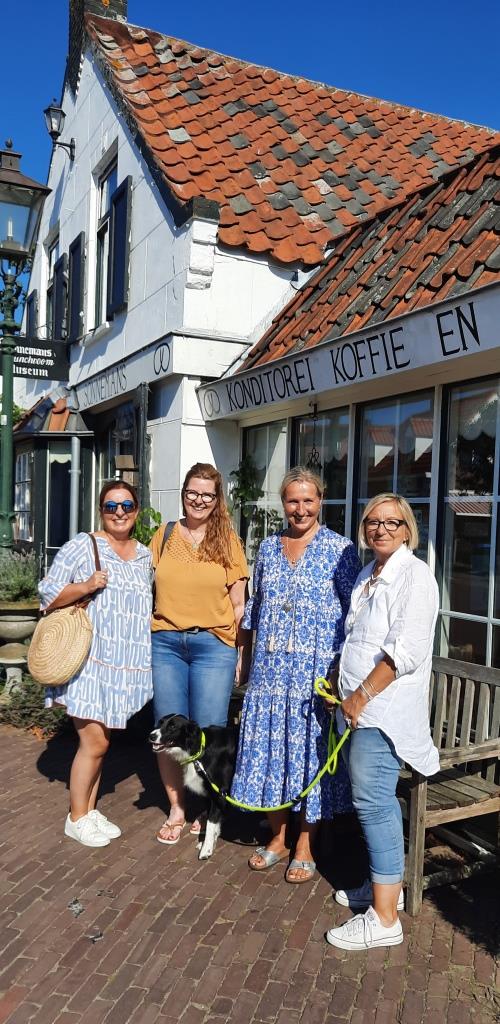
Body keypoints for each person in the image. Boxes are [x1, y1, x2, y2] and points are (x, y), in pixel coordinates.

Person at [231, 467, 361, 883]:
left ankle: (305, 842)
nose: (300, 509)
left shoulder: (340, 550)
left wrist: (341, 674)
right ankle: (278, 837)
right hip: (270, 675)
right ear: (282, 503)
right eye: (292, 500)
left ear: (321, 501)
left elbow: (353, 617)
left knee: (309, 758)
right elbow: (255, 609)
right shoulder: (267, 548)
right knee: (269, 754)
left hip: (314, 675)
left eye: (308, 500)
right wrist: (245, 659)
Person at [325, 493, 439, 951]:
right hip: (356, 708)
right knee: (366, 802)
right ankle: (381, 887)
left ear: (407, 529)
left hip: (383, 713)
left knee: (375, 804)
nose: (382, 529)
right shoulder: (368, 574)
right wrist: (340, 682)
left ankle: (386, 917)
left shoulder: (416, 576)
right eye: (373, 521)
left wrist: (361, 695)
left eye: (392, 522)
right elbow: (357, 636)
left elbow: (404, 652)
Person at [39, 481, 153, 848]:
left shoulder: (145, 555)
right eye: (110, 505)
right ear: (101, 510)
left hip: (124, 666)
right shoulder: (82, 546)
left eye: (126, 505)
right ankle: (76, 817)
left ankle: (88, 809)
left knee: (102, 742)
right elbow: (48, 594)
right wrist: (86, 585)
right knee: (93, 743)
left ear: (137, 510)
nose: (119, 512)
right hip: (90, 662)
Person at [150, 462, 249, 845]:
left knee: (208, 734)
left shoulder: (227, 540)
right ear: (183, 492)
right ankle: (177, 809)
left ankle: (208, 809)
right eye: (193, 492)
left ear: (217, 498)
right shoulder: (164, 535)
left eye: (207, 494)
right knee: (165, 730)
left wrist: (242, 652)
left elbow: (239, 605)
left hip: (213, 646)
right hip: (167, 644)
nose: (199, 500)